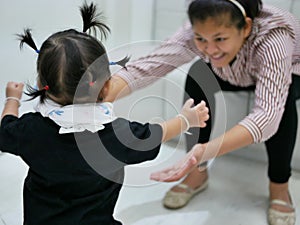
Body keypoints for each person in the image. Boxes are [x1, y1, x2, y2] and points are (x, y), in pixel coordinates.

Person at [0, 2, 210, 225]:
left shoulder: (31, 130)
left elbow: (5, 130)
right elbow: (157, 133)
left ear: (42, 83)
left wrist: (12, 99)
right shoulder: (117, 134)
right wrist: (186, 120)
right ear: (107, 86)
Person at [105, 0, 300, 224]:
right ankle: (198, 173)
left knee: (280, 106)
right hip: (231, 69)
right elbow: (152, 64)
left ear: (245, 27)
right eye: (201, 39)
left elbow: (267, 117)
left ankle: (279, 186)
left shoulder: (274, 37)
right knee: (197, 74)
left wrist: (204, 150)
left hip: (288, 71)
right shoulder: (199, 28)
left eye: (220, 39)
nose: (209, 48)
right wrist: (100, 94)